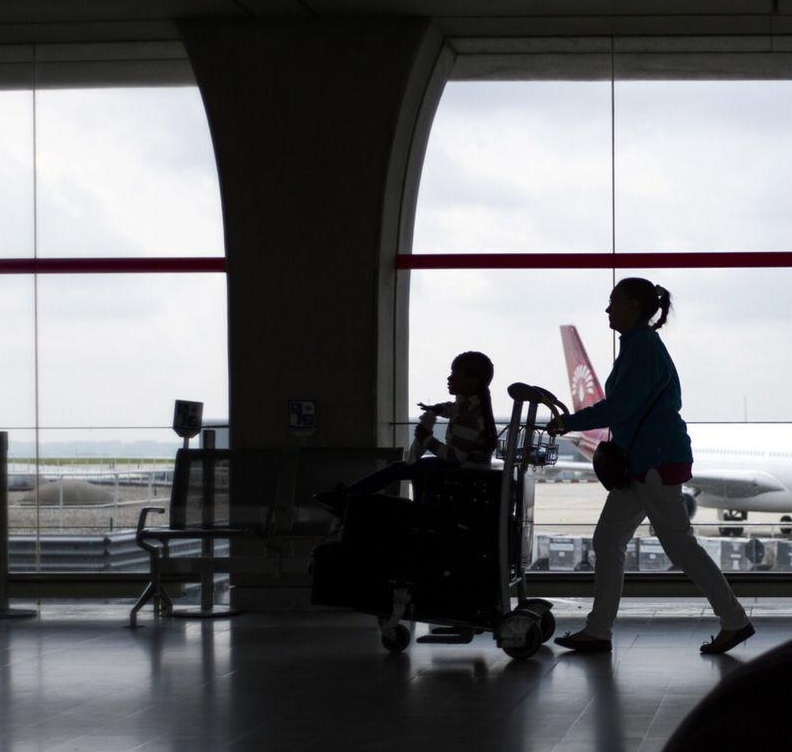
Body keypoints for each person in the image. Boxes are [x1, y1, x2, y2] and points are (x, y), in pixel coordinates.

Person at [546, 278, 754, 655]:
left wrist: (568, 423)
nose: (607, 309)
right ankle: (598, 630)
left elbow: (619, 407)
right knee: (610, 541)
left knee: (678, 546)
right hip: (642, 464)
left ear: (634, 307)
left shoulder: (642, 349)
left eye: (613, 302)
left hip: (652, 463)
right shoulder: (638, 347)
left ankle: (735, 620)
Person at [316, 350, 497, 513]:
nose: (450, 378)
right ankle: (351, 496)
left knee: (401, 468)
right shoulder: (471, 407)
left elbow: (455, 457)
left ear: (473, 380)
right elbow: (451, 408)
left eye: (455, 374)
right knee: (413, 470)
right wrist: (435, 409)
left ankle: (348, 497)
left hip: (461, 474)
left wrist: (426, 439)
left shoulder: (469, 416)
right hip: (466, 473)